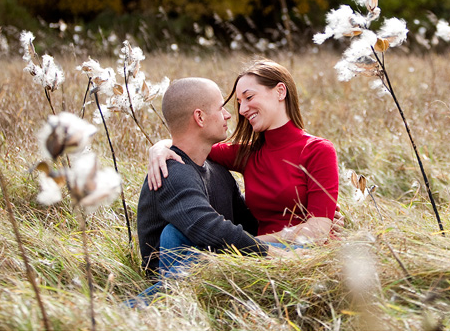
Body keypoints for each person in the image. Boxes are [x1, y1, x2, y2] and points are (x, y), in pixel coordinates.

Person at [147, 58, 339, 246]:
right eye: (239, 102)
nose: (242, 110)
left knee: (196, 251)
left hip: (299, 253)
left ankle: (183, 274)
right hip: (259, 255)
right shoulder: (247, 154)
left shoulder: (317, 150)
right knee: (172, 234)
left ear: (280, 91)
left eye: (249, 97)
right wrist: (160, 147)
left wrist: (249, 245)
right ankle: (176, 275)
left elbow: (318, 231)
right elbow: (192, 143)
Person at [133, 77, 286, 305]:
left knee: (300, 247)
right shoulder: (170, 173)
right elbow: (207, 226)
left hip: (215, 266)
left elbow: (251, 224)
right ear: (200, 117)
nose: (228, 115)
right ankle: (121, 315)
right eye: (221, 108)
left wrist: (304, 217)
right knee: (173, 235)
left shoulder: (218, 171)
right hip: (173, 286)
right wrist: (271, 254)